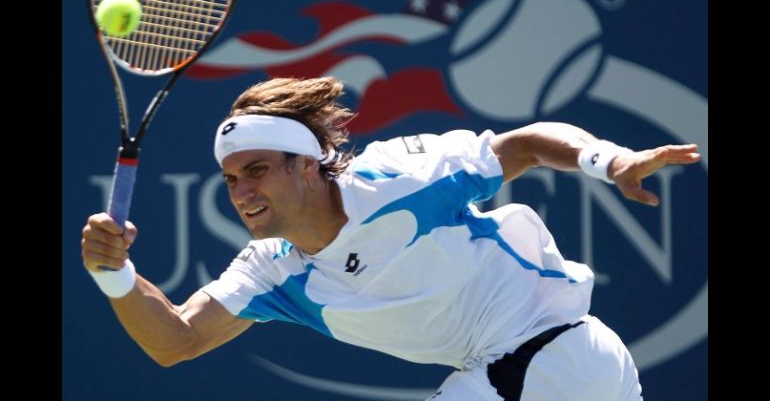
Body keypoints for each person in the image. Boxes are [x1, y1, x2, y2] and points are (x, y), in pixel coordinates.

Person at [81, 76, 700, 400]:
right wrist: (115, 275)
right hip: (559, 372)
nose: (241, 192)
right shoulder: (271, 271)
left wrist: (610, 161)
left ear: (306, 164)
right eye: (231, 178)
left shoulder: (400, 177)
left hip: (548, 358)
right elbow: (176, 341)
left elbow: (526, 145)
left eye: (258, 170)